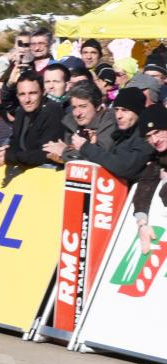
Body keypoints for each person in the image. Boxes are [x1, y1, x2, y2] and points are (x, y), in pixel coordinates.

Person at [70, 87, 153, 183]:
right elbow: (109, 161)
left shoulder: (146, 136)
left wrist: (86, 147)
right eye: (116, 110)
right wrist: (94, 146)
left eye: (125, 110)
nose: (119, 115)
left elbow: (124, 167)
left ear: (138, 112)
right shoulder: (121, 133)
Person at [0, 70, 64, 173]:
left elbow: (45, 154)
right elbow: (15, 142)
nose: (27, 99)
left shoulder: (52, 112)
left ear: (43, 92)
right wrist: (4, 152)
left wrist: (10, 157)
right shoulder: (21, 112)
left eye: (32, 93)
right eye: (22, 94)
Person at [43, 82, 116, 164]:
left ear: (98, 106)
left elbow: (99, 157)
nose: (77, 113)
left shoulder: (109, 123)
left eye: (83, 106)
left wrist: (64, 152)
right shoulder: (69, 122)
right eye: (74, 107)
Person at [133, 104, 167, 253]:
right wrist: (142, 223)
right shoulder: (159, 157)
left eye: (158, 132)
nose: (154, 140)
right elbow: (145, 183)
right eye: (148, 136)